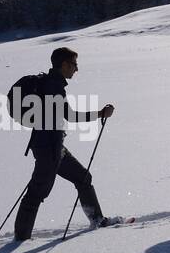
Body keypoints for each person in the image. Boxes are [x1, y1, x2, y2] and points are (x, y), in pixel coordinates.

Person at [13, 47, 117, 241]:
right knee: (37, 192)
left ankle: (97, 220)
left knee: (83, 178)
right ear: (64, 65)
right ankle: (20, 239)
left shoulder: (50, 83)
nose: (76, 69)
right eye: (74, 64)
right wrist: (100, 114)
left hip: (52, 146)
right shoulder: (53, 87)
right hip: (48, 148)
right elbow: (69, 115)